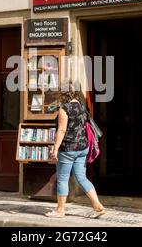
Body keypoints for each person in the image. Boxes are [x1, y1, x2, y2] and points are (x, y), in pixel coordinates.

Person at [45, 82, 105, 218]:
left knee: (62, 179)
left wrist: (55, 150)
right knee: (82, 177)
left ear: (63, 94)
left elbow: (61, 130)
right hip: (82, 148)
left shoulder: (64, 109)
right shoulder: (81, 106)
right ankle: (97, 205)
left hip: (68, 149)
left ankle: (60, 210)